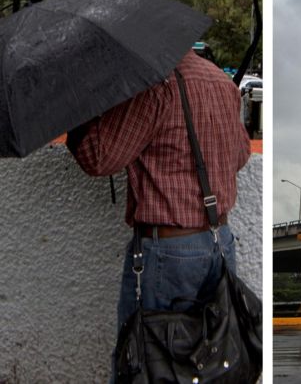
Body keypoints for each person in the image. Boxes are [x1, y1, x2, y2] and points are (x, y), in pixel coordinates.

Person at [66, 49, 251, 357]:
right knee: (209, 359)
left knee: (145, 360)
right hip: (220, 243)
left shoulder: (154, 86)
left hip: (170, 251)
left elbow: (98, 158)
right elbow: (242, 154)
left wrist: (79, 110)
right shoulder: (223, 83)